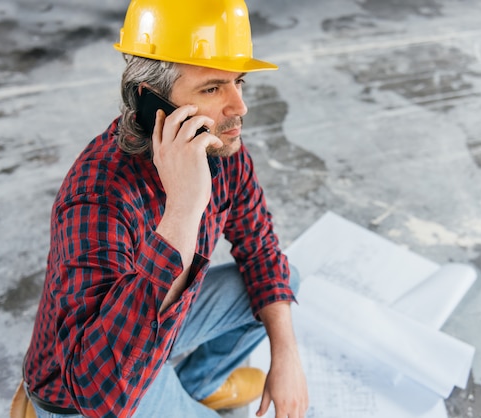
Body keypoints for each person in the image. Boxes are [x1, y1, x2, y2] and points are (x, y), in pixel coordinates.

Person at [19, 0, 308, 417]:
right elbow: (99, 395)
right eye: (212, 88)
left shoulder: (221, 149)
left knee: (284, 283)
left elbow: (260, 250)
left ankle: (195, 387)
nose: (238, 107)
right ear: (150, 101)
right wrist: (184, 208)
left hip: (157, 334)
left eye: (238, 82)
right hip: (85, 388)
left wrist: (287, 357)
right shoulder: (98, 197)